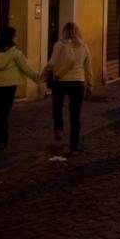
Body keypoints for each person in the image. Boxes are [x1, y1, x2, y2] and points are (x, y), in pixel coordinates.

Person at [0, 26, 41, 151]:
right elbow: (26, 68)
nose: (16, 37)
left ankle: (1, 140)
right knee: (4, 113)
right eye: (14, 35)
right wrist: (39, 79)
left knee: (0, 112)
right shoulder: (15, 53)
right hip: (9, 85)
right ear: (10, 37)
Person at [45, 22, 92, 155]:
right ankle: (74, 147)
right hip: (78, 82)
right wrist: (90, 84)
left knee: (57, 106)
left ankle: (59, 128)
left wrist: (45, 73)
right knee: (75, 115)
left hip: (60, 81)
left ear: (64, 31)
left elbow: (52, 62)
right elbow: (88, 67)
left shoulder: (59, 45)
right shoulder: (84, 46)